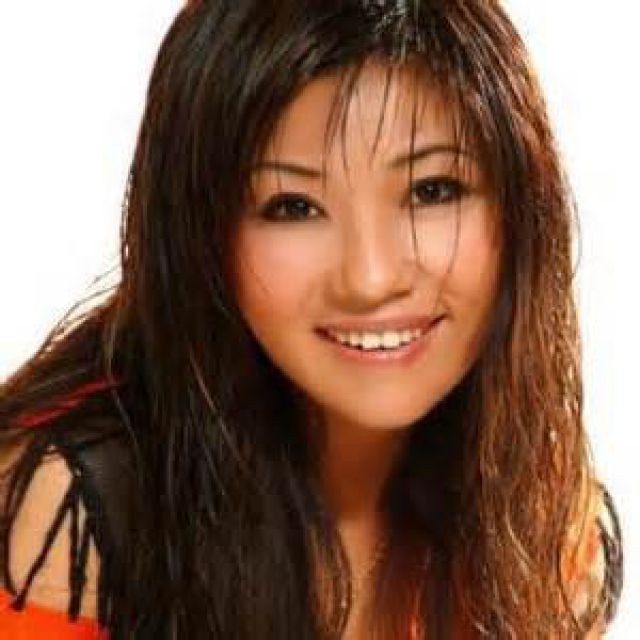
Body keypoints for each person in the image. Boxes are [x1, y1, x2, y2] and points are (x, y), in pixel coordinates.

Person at [0, 0, 624, 638]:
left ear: (523, 209)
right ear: (200, 237)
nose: (371, 278)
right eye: (293, 206)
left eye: (432, 190)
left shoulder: (553, 533)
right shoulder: (80, 513)